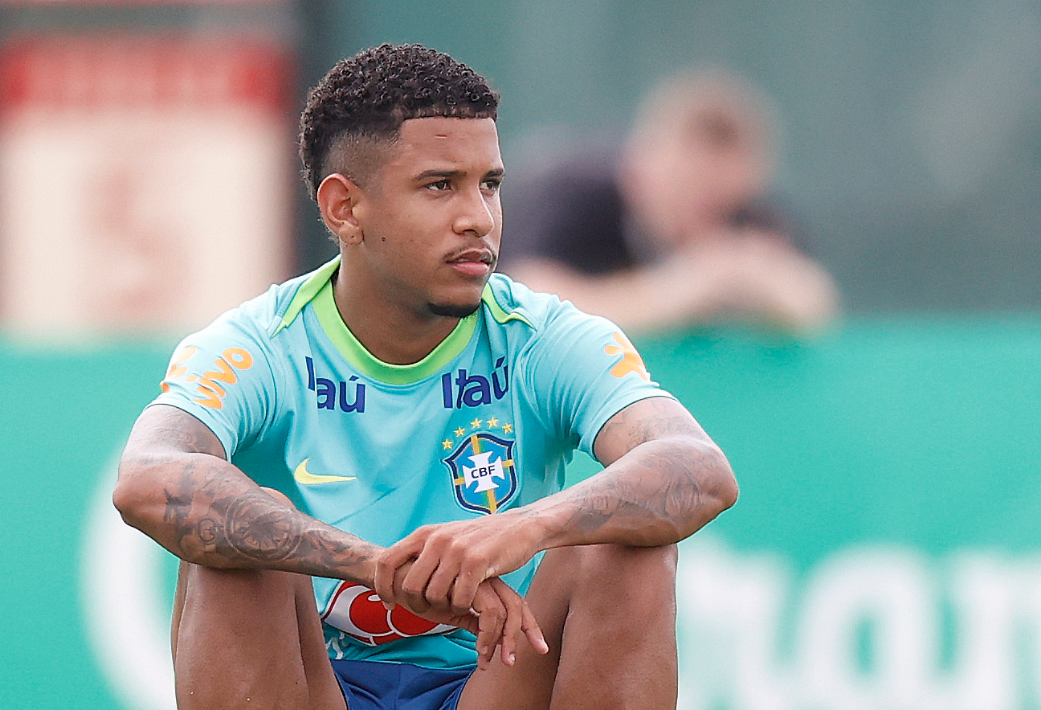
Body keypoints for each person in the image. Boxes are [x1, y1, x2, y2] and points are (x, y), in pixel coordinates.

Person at [112, 43, 738, 710]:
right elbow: (148, 478)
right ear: (344, 209)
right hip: (312, 682)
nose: (480, 218)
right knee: (236, 549)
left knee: (625, 547)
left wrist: (527, 527)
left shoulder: (546, 337)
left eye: (489, 184)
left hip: (498, 677)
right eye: (440, 185)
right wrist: (373, 565)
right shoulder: (257, 344)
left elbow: (699, 470)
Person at [499, 68, 838, 334]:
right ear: (640, 170)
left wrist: (748, 273)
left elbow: (814, 305)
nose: (705, 216)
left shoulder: (745, 211)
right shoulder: (572, 192)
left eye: (720, 202)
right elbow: (530, 305)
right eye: (689, 191)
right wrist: (682, 289)